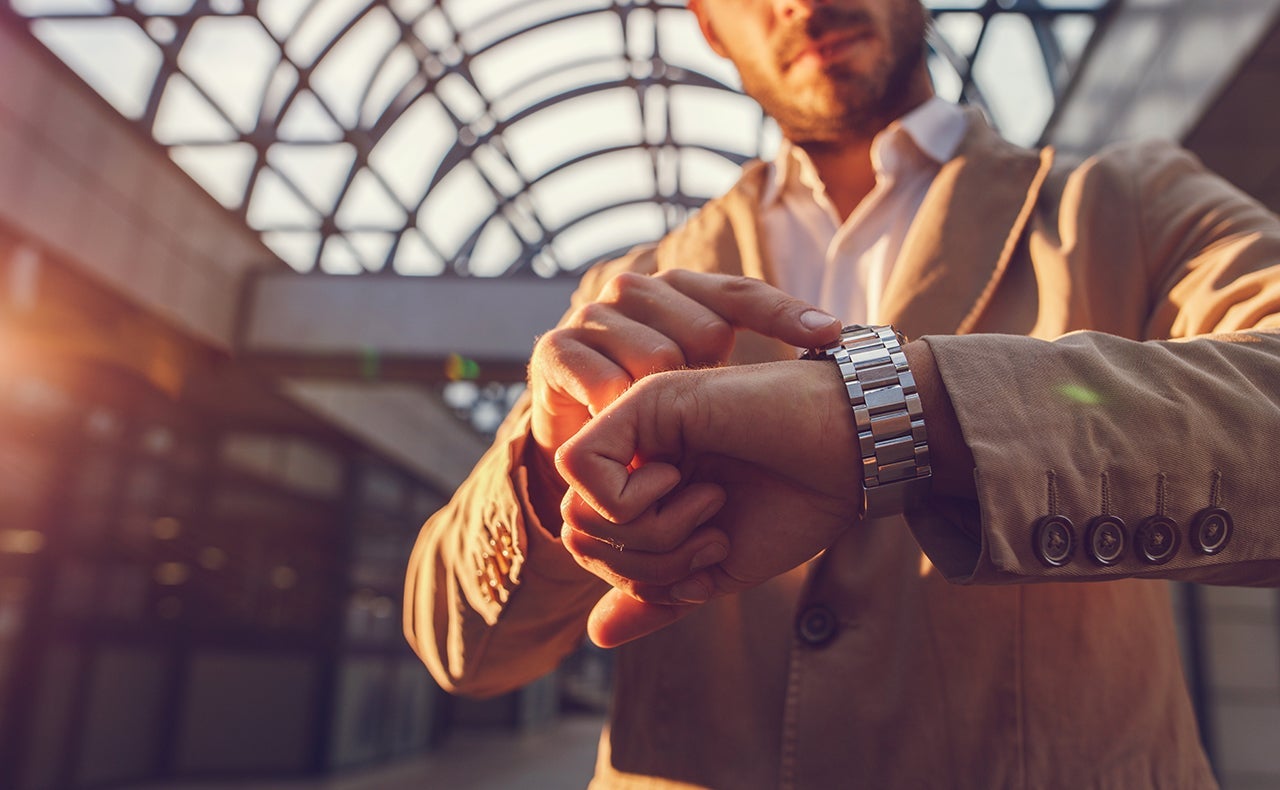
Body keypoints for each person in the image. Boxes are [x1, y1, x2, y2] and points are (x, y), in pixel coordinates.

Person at [404, 0, 1280, 786]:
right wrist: (553, 477)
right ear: (708, 24)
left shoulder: (1124, 203)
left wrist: (897, 419)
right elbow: (455, 649)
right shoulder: (630, 285)